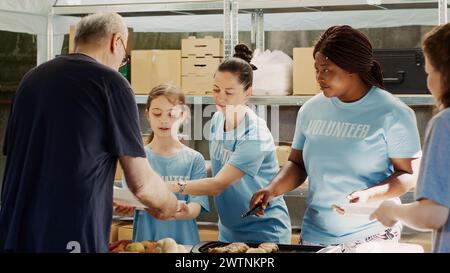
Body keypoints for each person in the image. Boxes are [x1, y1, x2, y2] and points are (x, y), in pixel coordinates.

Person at [0, 12, 178, 253]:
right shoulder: (110, 82)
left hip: (15, 231)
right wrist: (168, 202)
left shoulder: (31, 79)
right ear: (117, 42)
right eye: (123, 59)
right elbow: (142, 183)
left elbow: (38, 159)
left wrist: (105, 196)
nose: (120, 65)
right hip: (69, 234)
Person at [250, 25, 421, 250]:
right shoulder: (311, 110)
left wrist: (369, 195)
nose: (319, 77)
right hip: (314, 235)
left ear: (353, 67)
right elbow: (297, 163)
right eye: (317, 69)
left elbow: (409, 175)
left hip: (372, 235)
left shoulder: (393, 113)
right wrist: (272, 189)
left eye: (327, 69)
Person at [167, 44, 291, 244]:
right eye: (216, 89)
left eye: (229, 92)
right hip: (228, 230)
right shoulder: (217, 118)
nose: (220, 97)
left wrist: (167, 186)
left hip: (264, 233)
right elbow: (219, 166)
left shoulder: (255, 133)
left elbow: (218, 184)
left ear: (248, 92)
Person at [370, 23, 450, 253]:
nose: (428, 82)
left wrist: (392, 211)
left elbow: (432, 215)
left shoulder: (445, 123)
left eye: (429, 72)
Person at [114, 84, 209, 245]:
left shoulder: (195, 159)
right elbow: (130, 201)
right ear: (148, 115)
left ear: (183, 116)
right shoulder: (136, 158)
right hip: (146, 244)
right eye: (157, 114)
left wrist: (183, 211)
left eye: (172, 114)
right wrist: (125, 208)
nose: (164, 120)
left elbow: (196, 207)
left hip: (184, 245)